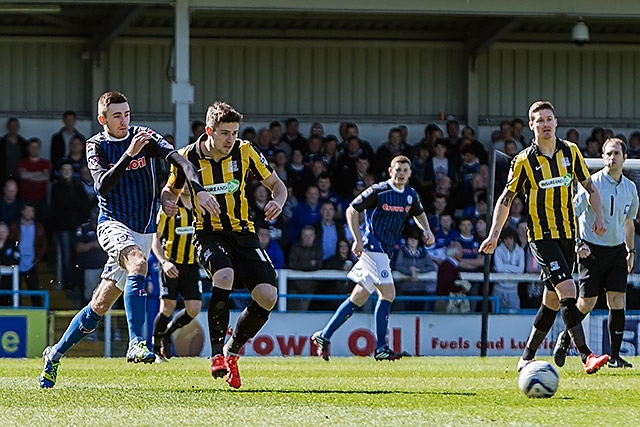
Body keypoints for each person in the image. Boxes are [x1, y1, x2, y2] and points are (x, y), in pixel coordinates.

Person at [39, 91, 217, 389]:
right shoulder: (97, 145)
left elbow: (181, 162)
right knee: (137, 262)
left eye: (127, 114)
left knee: (99, 304)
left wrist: (195, 190)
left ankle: (54, 354)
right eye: (117, 116)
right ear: (103, 119)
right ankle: (137, 342)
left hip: (145, 230)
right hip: (113, 224)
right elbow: (102, 186)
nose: (124, 121)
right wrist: (129, 155)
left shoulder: (144, 137)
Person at [162, 101, 287, 389]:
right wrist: (169, 202)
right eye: (224, 133)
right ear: (209, 131)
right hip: (208, 233)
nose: (230, 139)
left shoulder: (245, 151)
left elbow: (277, 184)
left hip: (244, 233)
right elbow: (170, 190)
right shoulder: (186, 157)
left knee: (268, 295)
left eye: (234, 132)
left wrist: (277, 201)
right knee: (224, 276)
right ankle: (216, 353)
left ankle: (232, 351)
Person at [479, 100, 610, 374]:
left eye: (549, 119)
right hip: (542, 237)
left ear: (556, 122)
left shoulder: (571, 152)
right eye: (540, 120)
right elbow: (506, 198)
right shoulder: (524, 160)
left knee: (551, 301)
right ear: (531, 126)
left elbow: (590, 188)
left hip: (567, 237)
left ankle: (526, 357)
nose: (546, 124)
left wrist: (599, 217)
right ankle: (586, 355)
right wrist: (494, 234)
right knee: (569, 291)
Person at [311, 155, 435, 361]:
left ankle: (324, 335)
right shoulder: (379, 191)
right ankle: (381, 347)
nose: (401, 173)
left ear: (410, 173)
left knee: (358, 297)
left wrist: (427, 230)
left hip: (385, 251)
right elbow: (352, 209)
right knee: (388, 294)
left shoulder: (411, 195)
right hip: (372, 247)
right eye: (398, 169)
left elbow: (419, 212)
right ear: (390, 171)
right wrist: (357, 240)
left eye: (405, 170)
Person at [553, 138, 639, 369]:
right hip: (591, 251)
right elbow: (572, 214)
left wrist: (630, 251)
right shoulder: (591, 184)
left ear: (625, 158)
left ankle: (615, 357)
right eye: (608, 153)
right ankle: (565, 337)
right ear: (602, 157)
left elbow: (629, 223)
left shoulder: (631, 189)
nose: (612, 157)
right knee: (586, 302)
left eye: (616, 153)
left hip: (617, 252)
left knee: (617, 300)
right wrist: (577, 243)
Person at [150, 185, 202, 362]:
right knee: (167, 307)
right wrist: (164, 263)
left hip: (191, 265)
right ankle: (156, 349)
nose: (186, 186)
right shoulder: (169, 208)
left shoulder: (198, 207)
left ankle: (167, 333)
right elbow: (155, 240)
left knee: (194, 309)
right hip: (171, 263)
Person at [9, 203, 47, 307]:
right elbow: (10, 242)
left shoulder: (38, 227)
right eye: (26, 210)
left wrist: (37, 259)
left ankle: (39, 311)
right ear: (22, 211)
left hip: (31, 262)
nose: (28, 213)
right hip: (17, 262)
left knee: (34, 288)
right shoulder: (14, 226)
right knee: (16, 289)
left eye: (31, 210)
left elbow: (43, 245)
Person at [0, 221, 20, 306]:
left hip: (8, 282)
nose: (1, 234)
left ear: (7, 233)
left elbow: (15, 260)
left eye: (3, 232)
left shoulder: (12, 245)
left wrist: (3, 262)